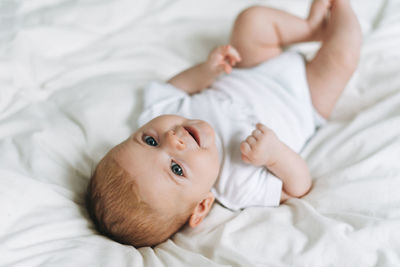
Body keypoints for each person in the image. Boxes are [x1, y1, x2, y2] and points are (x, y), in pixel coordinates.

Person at [86, 0, 361, 248]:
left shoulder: (167, 110)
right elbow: (298, 186)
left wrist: (206, 71)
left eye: (150, 141)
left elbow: (174, 87)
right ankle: (341, 8)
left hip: (252, 67)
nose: (173, 140)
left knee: (251, 21)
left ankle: (312, 28)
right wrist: (275, 155)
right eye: (177, 168)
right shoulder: (236, 185)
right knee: (343, 55)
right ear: (202, 206)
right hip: (303, 100)